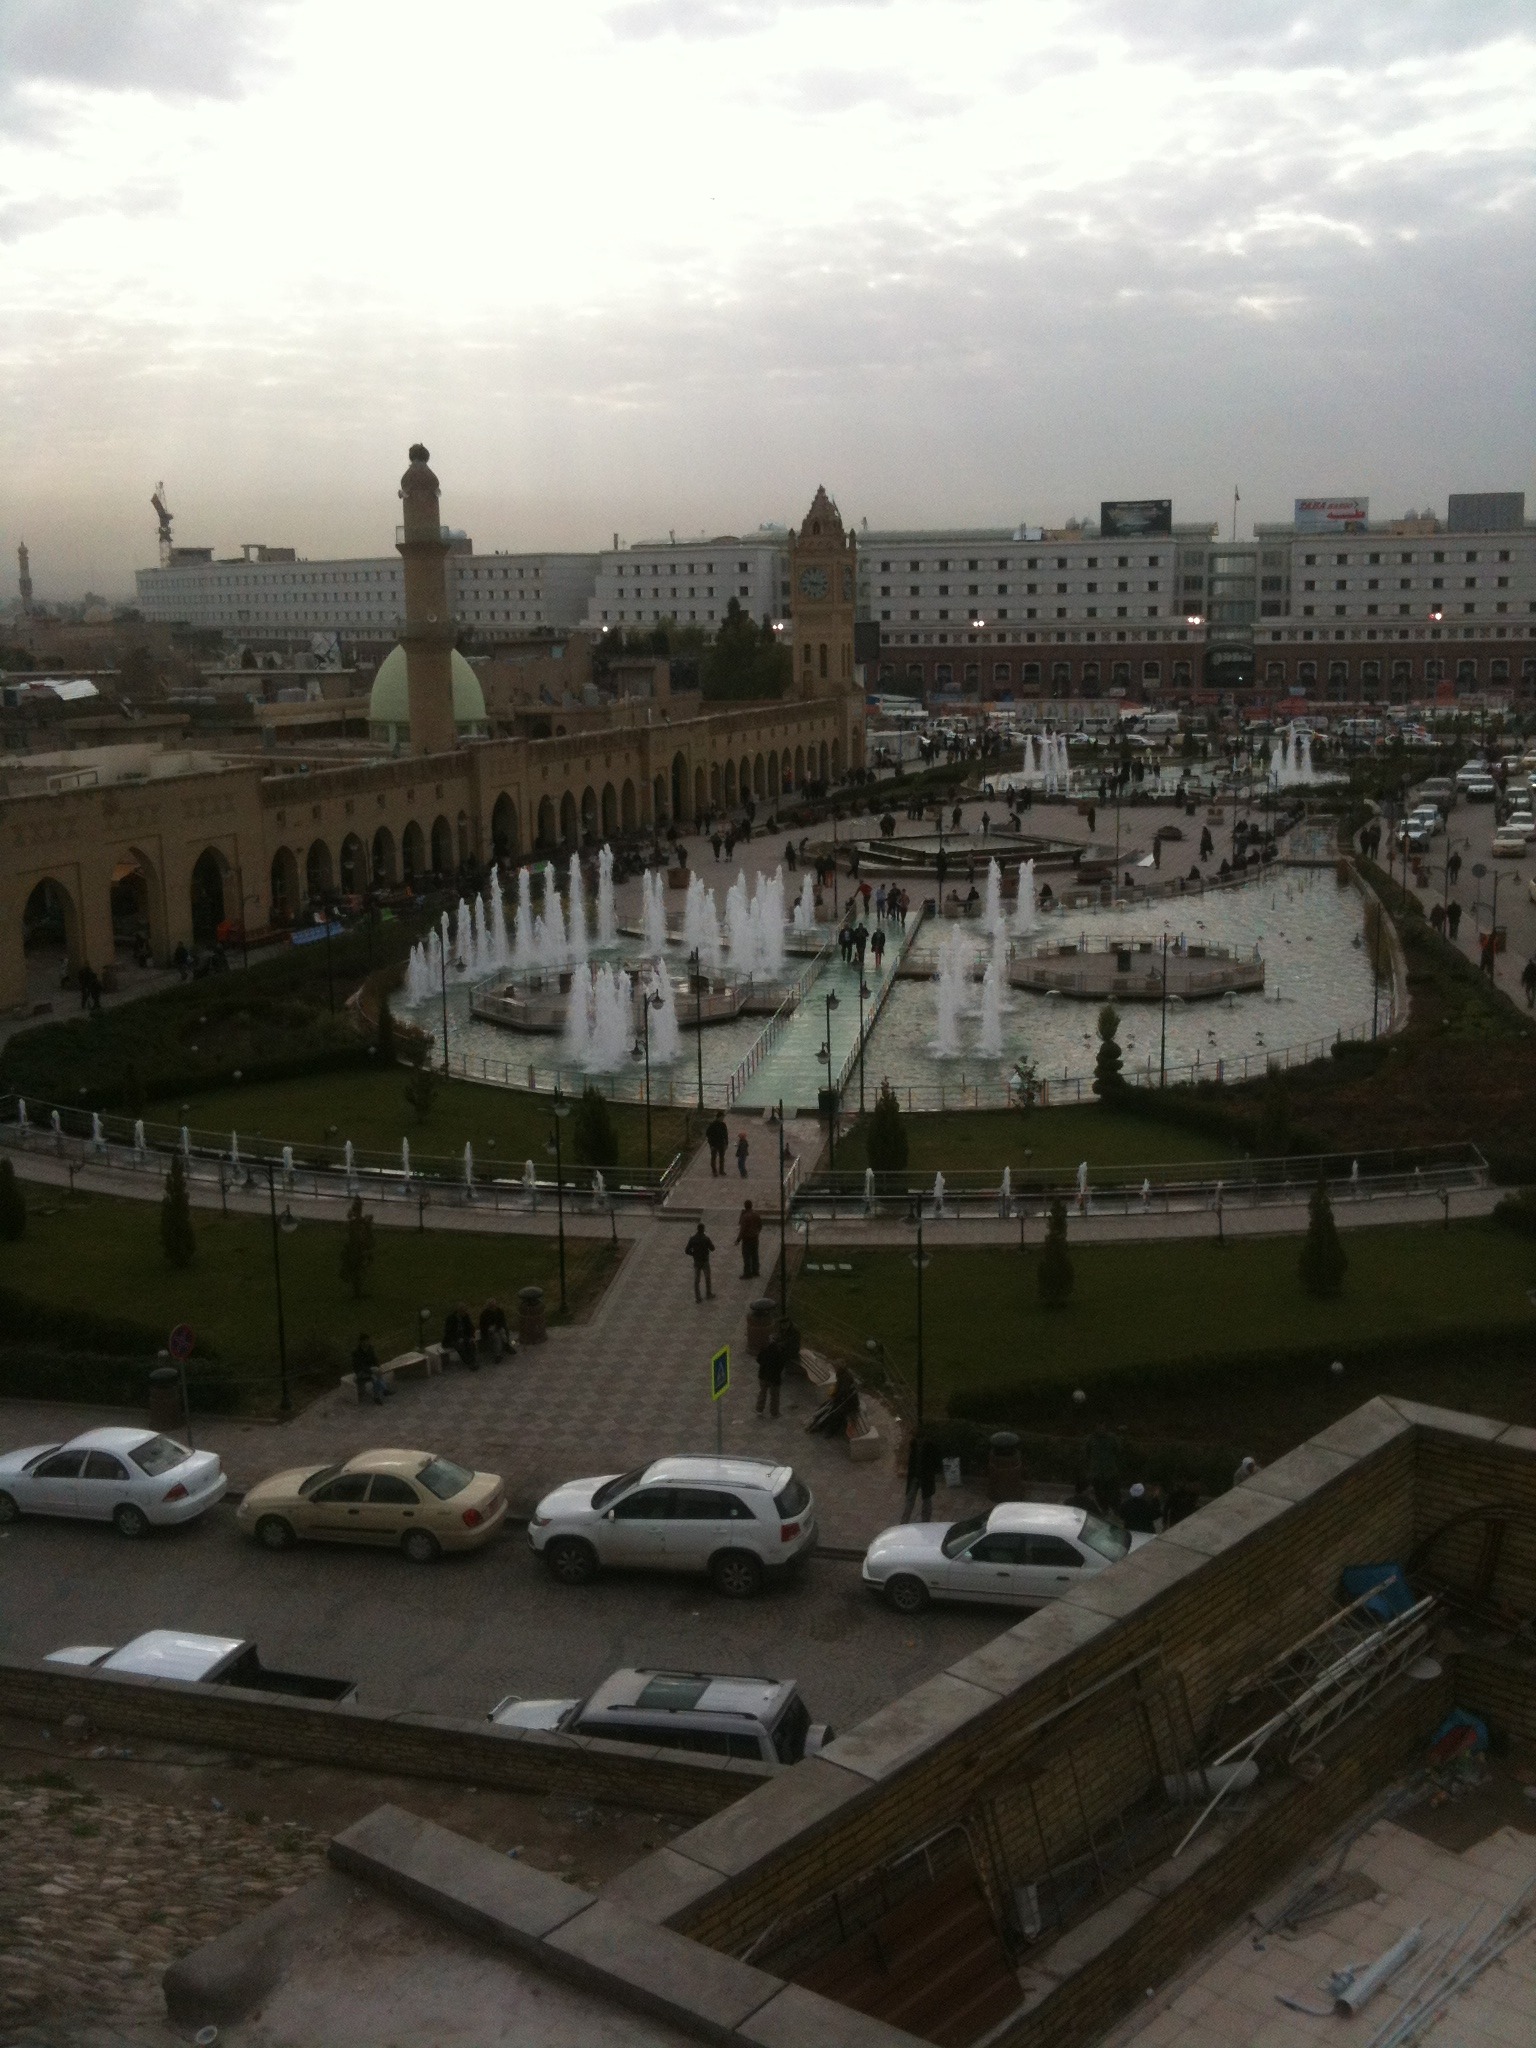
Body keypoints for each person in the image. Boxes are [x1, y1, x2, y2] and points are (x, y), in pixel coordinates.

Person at [903, 1432, 943, 1522]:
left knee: (926, 1500)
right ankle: (904, 1522)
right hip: (915, 1476)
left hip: (926, 1477)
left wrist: (932, 1472)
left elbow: (937, 1461)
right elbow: (911, 1462)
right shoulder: (913, 1445)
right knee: (910, 1498)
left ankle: (925, 1522)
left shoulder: (930, 1447)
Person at [352, 1334, 390, 1405]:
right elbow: (359, 1366)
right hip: (360, 1372)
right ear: (361, 1342)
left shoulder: (370, 1348)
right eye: (365, 1341)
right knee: (376, 1374)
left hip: (371, 1370)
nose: (367, 1342)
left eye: (368, 1340)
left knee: (375, 1375)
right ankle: (383, 1390)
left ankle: (378, 1396)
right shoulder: (356, 1352)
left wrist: (378, 1367)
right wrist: (372, 1370)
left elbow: (375, 1360)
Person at [755, 1328, 785, 1417]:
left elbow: (758, 1359)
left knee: (762, 1393)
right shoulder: (779, 1352)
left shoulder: (764, 1349)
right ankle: (774, 1413)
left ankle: (759, 1409)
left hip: (763, 1375)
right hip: (774, 1378)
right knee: (774, 1396)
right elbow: (781, 1365)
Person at [685, 1223, 715, 1302]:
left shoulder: (692, 1239)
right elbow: (712, 1248)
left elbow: (686, 1250)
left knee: (696, 1280)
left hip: (697, 1261)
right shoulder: (706, 1239)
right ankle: (708, 1293)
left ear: (697, 1229)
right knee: (707, 1278)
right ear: (703, 1229)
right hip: (705, 1261)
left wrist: (693, 1254)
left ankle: (698, 1297)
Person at [443, 1302, 477, 1371]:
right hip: (452, 1339)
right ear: (459, 1311)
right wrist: (457, 1338)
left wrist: (471, 1336)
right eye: (463, 1311)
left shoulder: (466, 1317)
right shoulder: (451, 1318)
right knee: (460, 1345)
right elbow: (448, 1332)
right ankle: (469, 1362)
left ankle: (473, 1360)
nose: (465, 1313)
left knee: (470, 1343)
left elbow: (471, 1327)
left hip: (463, 1336)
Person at [736, 1198, 762, 1277]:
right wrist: (756, 1232)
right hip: (755, 1237)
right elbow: (760, 1225)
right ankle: (756, 1271)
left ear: (745, 1206)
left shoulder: (745, 1216)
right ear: (751, 1206)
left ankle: (747, 1273)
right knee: (755, 1255)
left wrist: (738, 1240)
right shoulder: (756, 1214)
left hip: (747, 1239)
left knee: (746, 1256)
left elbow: (742, 1229)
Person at [705, 1111, 729, 1177]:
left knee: (722, 1158)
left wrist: (726, 1143)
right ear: (719, 1117)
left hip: (721, 1143)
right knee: (713, 1158)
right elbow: (708, 1134)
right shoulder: (712, 1125)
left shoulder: (723, 1125)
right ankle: (714, 1171)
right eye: (722, 1117)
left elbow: (725, 1134)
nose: (723, 1118)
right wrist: (711, 1144)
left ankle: (721, 1171)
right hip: (714, 1144)